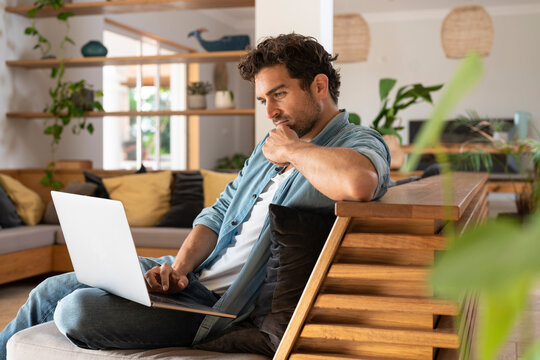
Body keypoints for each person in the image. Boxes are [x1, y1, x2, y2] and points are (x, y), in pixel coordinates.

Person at [0, 33, 390, 359]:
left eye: (280, 94)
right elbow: (218, 213)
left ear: (319, 86)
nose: (270, 111)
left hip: (224, 308)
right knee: (49, 289)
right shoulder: (268, 146)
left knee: (77, 310)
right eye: (263, 100)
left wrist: (291, 151)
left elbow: (360, 183)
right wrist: (179, 271)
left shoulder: (353, 142)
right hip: (194, 281)